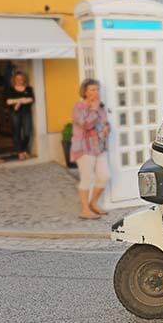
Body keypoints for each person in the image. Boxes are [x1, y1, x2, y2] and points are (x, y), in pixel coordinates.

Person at [71, 79, 110, 220]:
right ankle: (85, 210)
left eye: (97, 89)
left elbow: (105, 123)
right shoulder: (79, 107)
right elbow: (85, 124)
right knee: (87, 178)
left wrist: (106, 129)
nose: (96, 92)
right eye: (92, 89)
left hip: (99, 147)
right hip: (84, 148)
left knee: (104, 176)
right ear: (85, 92)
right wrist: (93, 109)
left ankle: (93, 203)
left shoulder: (101, 107)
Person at [5, 71, 35, 160]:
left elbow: (31, 99)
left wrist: (18, 102)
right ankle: (20, 152)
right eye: (17, 79)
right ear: (14, 80)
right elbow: (8, 101)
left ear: (24, 79)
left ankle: (23, 148)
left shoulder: (28, 88)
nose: (19, 80)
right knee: (16, 132)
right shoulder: (10, 89)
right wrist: (22, 99)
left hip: (26, 112)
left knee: (27, 132)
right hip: (14, 113)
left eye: (21, 78)